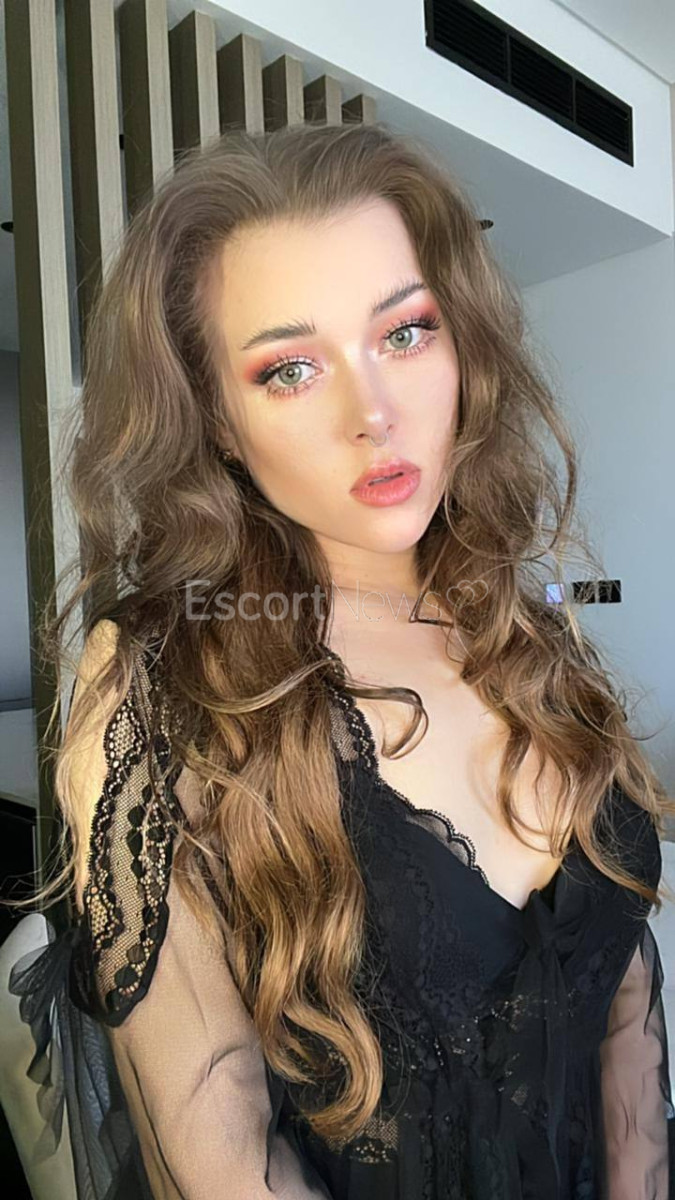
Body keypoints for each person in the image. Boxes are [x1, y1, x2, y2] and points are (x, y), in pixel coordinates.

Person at [3, 119, 674, 1200]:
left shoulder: (526, 625)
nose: (375, 415)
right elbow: (218, 1143)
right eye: (290, 369)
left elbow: (622, 1010)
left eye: (404, 333)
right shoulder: (161, 683)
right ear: (217, 420)